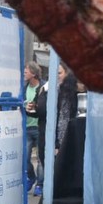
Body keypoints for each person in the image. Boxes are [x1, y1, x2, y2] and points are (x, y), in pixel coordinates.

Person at [34, 61, 78, 195]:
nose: (56, 76)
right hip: (46, 136)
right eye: (54, 73)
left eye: (59, 73)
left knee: (58, 174)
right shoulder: (46, 89)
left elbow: (64, 119)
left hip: (61, 140)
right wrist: (32, 108)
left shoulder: (68, 92)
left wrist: (58, 143)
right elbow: (41, 111)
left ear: (67, 74)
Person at [23, 61, 42, 193]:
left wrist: (36, 106)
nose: (24, 72)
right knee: (25, 157)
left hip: (39, 127)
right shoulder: (23, 88)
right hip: (26, 127)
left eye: (27, 70)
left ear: (34, 73)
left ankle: (40, 184)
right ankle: (31, 177)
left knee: (41, 159)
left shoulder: (42, 87)